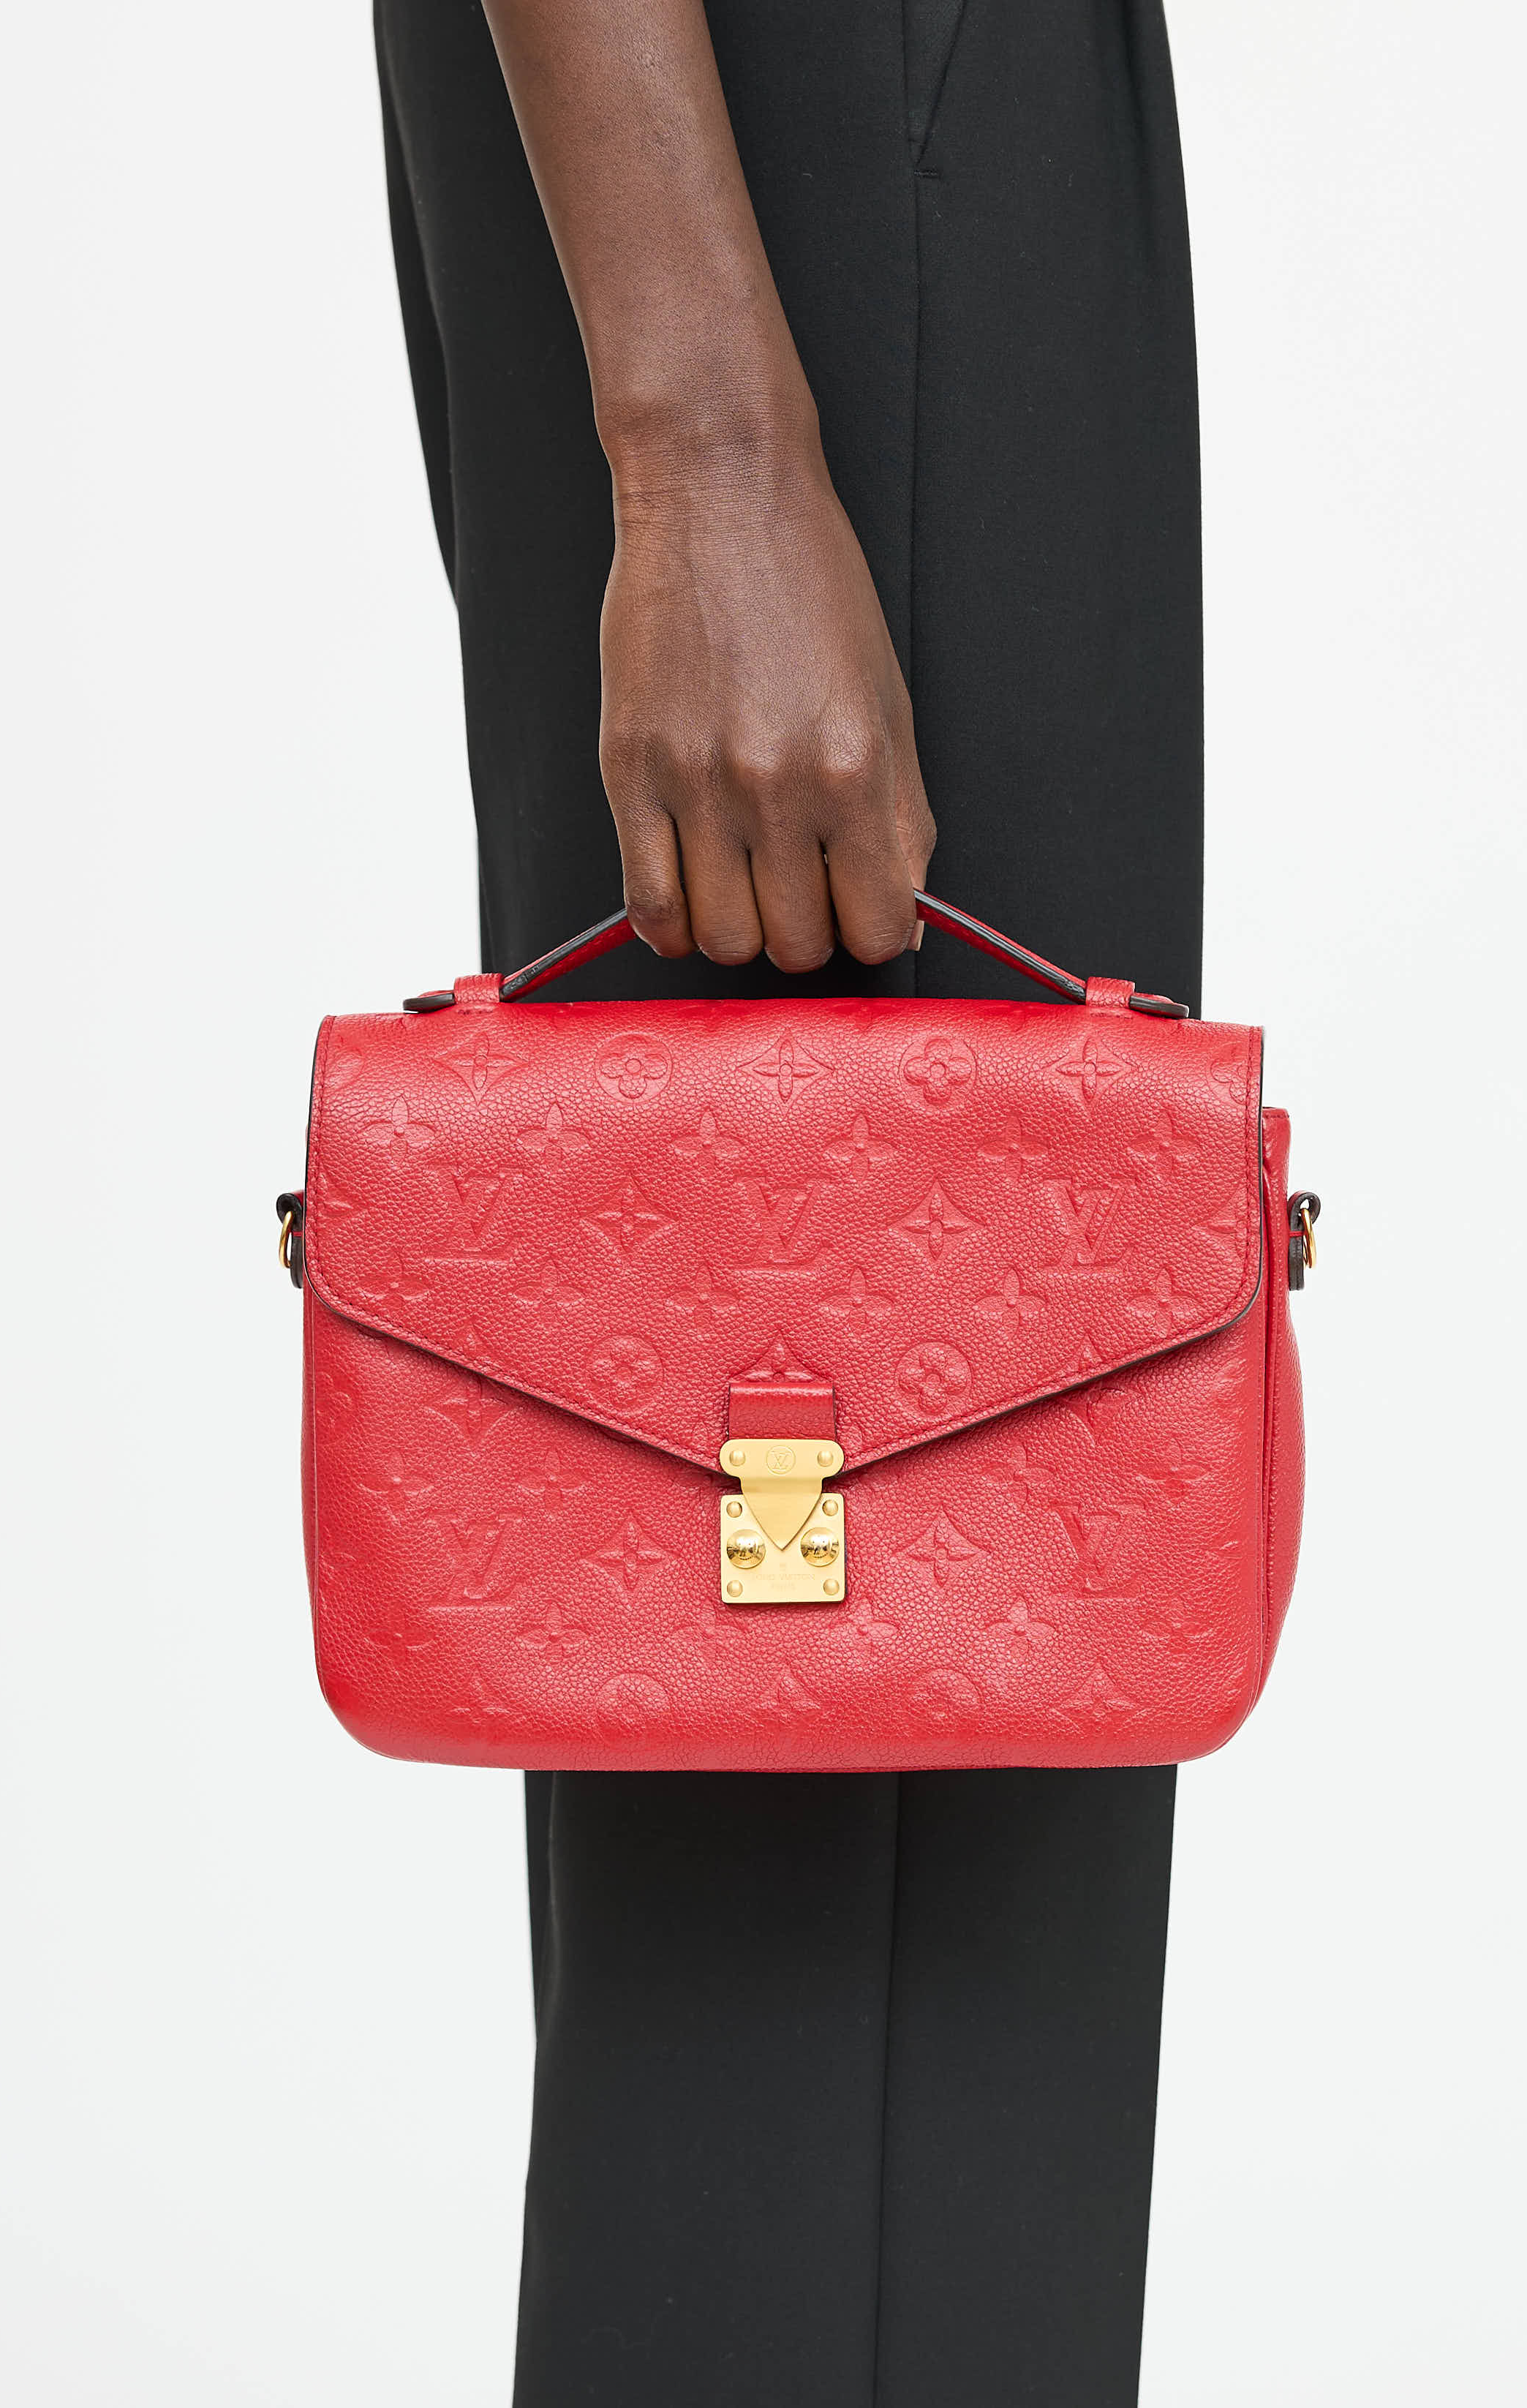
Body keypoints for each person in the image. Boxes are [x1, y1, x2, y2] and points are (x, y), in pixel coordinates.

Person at [372, 2, 1201, 2399]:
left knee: (961, 1793)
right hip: (823, 103)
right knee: (837, 1871)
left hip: (878, 108)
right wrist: (707, 448)